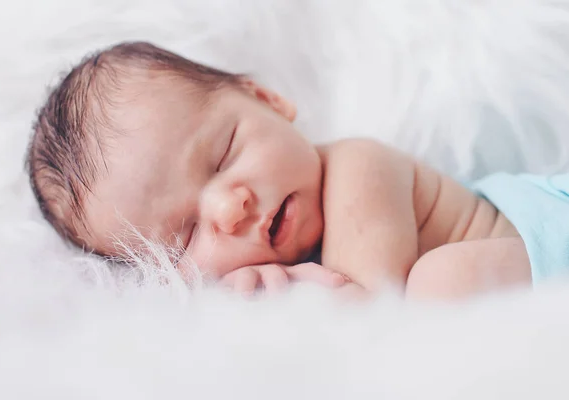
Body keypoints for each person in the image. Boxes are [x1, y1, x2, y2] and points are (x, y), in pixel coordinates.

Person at [28, 41, 568, 301]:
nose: (229, 206)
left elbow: (369, 307)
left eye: (224, 155)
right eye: (185, 235)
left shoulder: (357, 170)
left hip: (549, 226)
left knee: (439, 284)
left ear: (268, 99)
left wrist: (297, 289)